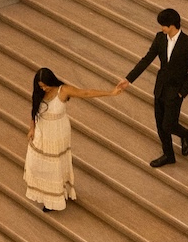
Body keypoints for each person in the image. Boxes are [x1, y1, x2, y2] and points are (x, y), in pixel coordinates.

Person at [25, 66, 120, 212]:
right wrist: (32, 128)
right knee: (36, 162)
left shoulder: (63, 90)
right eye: (41, 86)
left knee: (55, 164)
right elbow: (34, 112)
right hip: (42, 130)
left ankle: (55, 199)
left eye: (46, 85)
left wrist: (111, 93)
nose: (43, 89)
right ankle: (46, 193)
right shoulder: (38, 93)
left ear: (52, 82)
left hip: (58, 131)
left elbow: (86, 93)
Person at [119, 7, 188, 168]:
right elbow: (146, 59)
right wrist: (129, 79)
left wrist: (181, 92)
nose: (161, 28)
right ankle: (168, 155)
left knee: (168, 124)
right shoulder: (160, 38)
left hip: (175, 91)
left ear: (172, 25)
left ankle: (185, 134)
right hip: (160, 88)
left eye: (163, 25)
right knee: (160, 124)